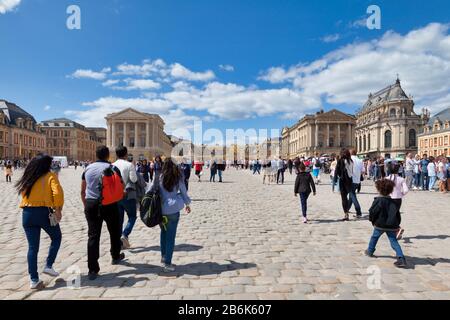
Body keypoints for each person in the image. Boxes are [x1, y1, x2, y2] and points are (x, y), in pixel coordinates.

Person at [16, 154, 64, 289]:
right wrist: (58, 209)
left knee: (32, 248)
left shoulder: (28, 176)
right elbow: (58, 193)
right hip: (43, 212)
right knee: (56, 237)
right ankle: (48, 265)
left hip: (27, 213)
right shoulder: (50, 176)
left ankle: (34, 280)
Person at [81, 146, 125, 281]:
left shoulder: (87, 168)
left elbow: (82, 190)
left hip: (91, 203)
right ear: (107, 156)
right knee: (115, 230)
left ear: (96, 155)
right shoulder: (112, 168)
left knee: (93, 236)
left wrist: (86, 204)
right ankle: (115, 256)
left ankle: (93, 269)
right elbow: (121, 186)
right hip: (109, 203)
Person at [148, 158, 192, 272]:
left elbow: (151, 190)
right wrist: (187, 204)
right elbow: (183, 192)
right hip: (173, 210)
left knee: (163, 233)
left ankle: (163, 257)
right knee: (170, 237)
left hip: (160, 210)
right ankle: (168, 263)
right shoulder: (178, 177)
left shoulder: (159, 176)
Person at [365, 179, 407, 268]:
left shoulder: (378, 200)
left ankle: (370, 250)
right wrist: (397, 225)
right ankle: (401, 257)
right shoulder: (394, 202)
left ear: (379, 189)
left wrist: (372, 220)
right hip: (391, 225)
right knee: (393, 241)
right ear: (391, 190)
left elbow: (373, 212)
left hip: (379, 224)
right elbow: (397, 214)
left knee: (374, 237)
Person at [113, 146, 139, 249]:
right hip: (127, 194)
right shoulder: (129, 165)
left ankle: (119, 241)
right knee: (132, 216)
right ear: (126, 154)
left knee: (119, 219)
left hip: (115, 196)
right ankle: (125, 234)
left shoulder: (112, 165)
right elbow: (133, 179)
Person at [386, 163, 409, 240]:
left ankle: (397, 229)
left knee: (390, 215)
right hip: (398, 199)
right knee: (395, 214)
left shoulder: (387, 179)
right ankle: (396, 230)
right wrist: (401, 194)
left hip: (389, 198)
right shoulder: (401, 179)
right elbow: (406, 190)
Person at [335, 149, 354, 221]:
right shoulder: (351, 161)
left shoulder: (340, 161)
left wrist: (335, 180)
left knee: (344, 198)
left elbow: (337, 171)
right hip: (350, 180)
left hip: (343, 181)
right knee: (349, 196)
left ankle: (346, 213)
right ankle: (347, 211)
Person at [348, 149, 363, 218]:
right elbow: (363, 171)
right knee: (351, 195)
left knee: (353, 195)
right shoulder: (360, 160)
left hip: (351, 180)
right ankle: (347, 208)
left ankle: (358, 211)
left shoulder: (349, 159)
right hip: (357, 181)